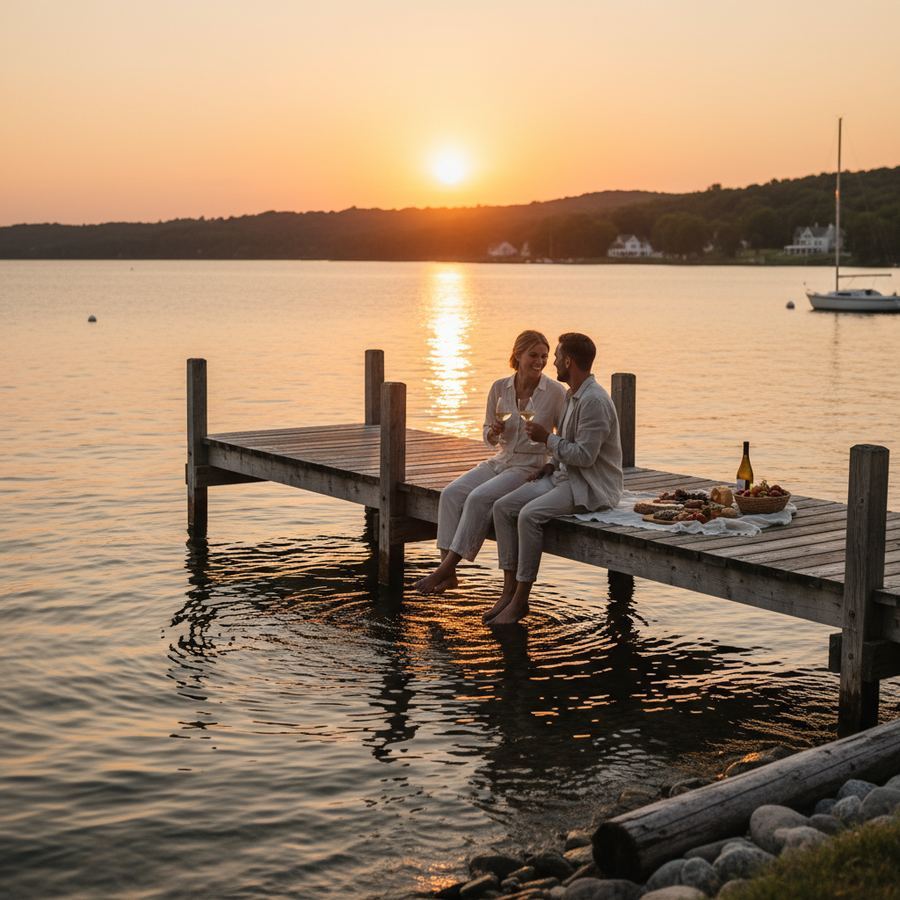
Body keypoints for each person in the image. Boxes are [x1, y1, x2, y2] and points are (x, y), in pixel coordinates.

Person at [413, 330, 567, 596]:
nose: (539, 361)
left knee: (478, 498)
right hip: (500, 459)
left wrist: (550, 461)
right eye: (533, 355)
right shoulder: (499, 387)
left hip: (528, 466)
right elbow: (487, 433)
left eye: (544, 356)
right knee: (450, 494)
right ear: (517, 355)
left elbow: (564, 437)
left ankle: (447, 568)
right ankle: (447, 571)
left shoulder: (555, 392)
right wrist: (493, 432)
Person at [486, 333, 624, 625]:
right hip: (564, 475)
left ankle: (521, 600)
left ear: (569, 361)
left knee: (528, 516)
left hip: (590, 486)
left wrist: (547, 439)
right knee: (502, 507)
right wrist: (551, 464)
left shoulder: (594, 401)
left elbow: (585, 457)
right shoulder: (573, 395)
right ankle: (508, 589)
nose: (554, 362)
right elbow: (568, 447)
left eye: (558, 356)